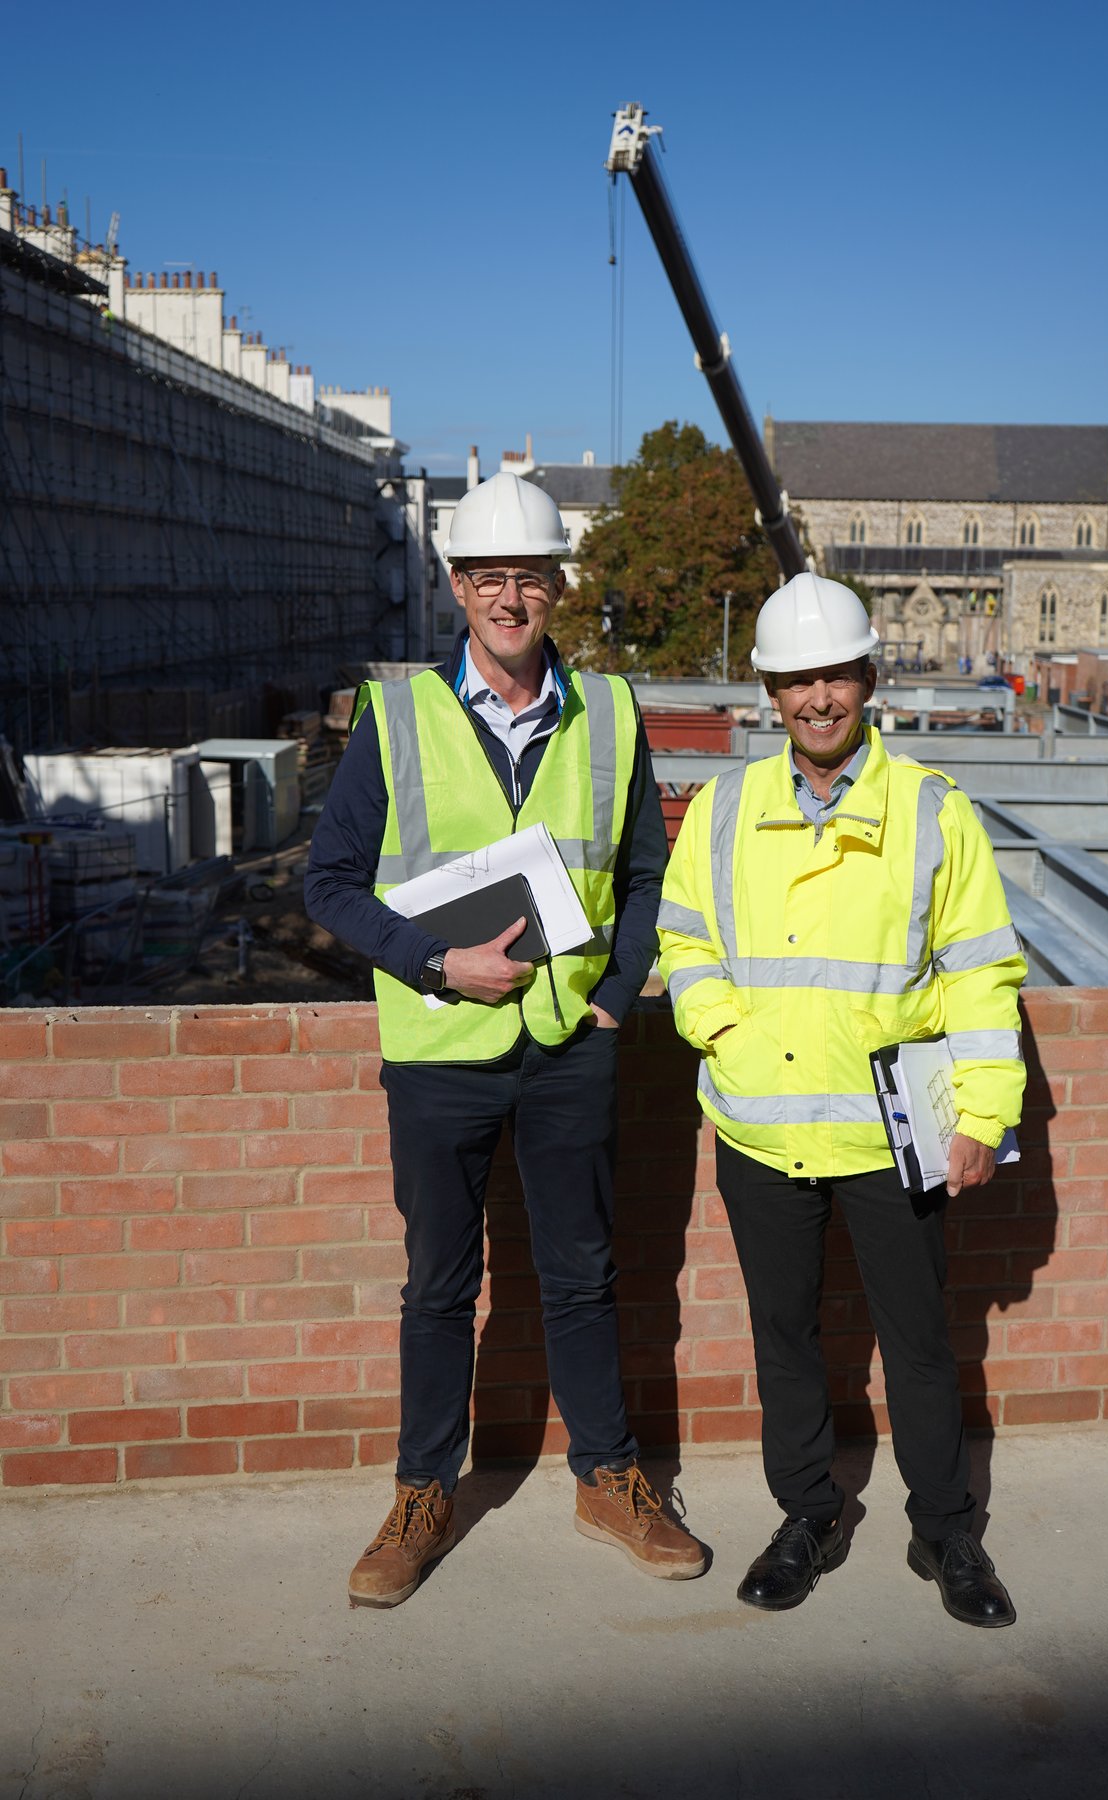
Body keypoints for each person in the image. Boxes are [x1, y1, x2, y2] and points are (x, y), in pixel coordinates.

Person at [306, 470, 705, 1607]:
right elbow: (329, 883)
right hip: (439, 1048)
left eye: (529, 576)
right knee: (439, 1284)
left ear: (558, 587)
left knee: (583, 1274)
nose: (509, 597)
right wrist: (438, 963)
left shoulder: (610, 712)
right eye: (488, 576)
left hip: (571, 1043)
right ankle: (421, 1493)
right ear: (455, 586)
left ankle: (608, 1478)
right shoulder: (396, 717)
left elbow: (645, 873)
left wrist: (616, 996)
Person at [656, 572, 1026, 1627]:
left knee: (919, 1343)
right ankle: (808, 1516)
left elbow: (981, 972)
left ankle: (946, 1531)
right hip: (761, 1127)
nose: (817, 698)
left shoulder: (933, 810)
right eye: (796, 680)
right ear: (770, 693)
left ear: (868, 679)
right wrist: (726, 1033)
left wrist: (983, 1115)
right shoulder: (723, 809)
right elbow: (685, 941)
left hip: (889, 1137)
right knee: (785, 1338)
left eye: (835, 676)